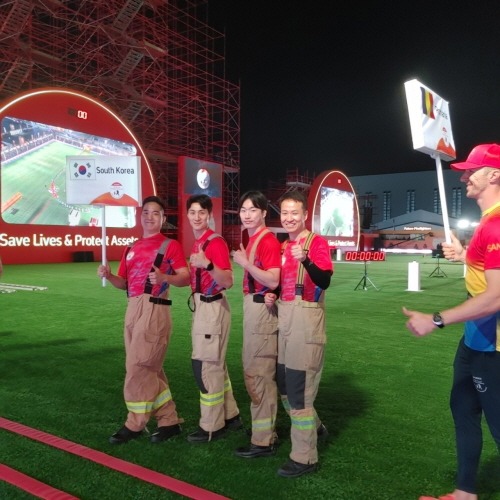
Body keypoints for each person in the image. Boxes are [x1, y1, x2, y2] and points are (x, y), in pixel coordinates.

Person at [403, 143, 500, 500]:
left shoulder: (497, 224)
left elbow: (495, 297)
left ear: (495, 175)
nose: (464, 176)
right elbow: (484, 273)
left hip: (494, 347)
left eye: (472, 170)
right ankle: (464, 493)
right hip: (475, 342)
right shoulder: (488, 222)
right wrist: (464, 255)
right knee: (463, 411)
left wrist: (436, 320)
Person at [97, 195, 190, 444]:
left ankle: (135, 424)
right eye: (146, 212)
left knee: (138, 366)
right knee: (150, 368)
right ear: (141, 216)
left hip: (155, 308)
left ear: (163, 218)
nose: (150, 216)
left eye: (155, 213)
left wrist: (165, 278)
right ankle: (169, 421)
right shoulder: (131, 248)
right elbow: (124, 284)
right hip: (133, 307)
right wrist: (109, 276)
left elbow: (185, 277)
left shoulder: (170, 245)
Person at [268, 190, 333, 478]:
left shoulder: (316, 243)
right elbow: (283, 283)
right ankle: (316, 428)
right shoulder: (284, 245)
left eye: (294, 212)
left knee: (298, 389)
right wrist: (273, 294)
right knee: (284, 383)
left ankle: (305, 457)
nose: (289, 218)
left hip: (305, 321)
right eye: (285, 213)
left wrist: (306, 260)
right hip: (286, 319)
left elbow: (324, 280)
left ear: (305, 215)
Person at [185, 194, 241, 442]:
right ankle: (230, 415)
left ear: (209, 215)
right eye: (193, 212)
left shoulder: (214, 243)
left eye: (202, 212)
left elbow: (228, 280)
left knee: (205, 367)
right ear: (187, 215)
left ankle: (211, 426)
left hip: (211, 307)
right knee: (215, 365)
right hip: (204, 307)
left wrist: (207, 264)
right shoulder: (200, 242)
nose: (197, 217)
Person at [232, 191, 281, 458]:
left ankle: (263, 440)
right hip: (255, 308)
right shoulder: (254, 239)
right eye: (243, 210)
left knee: (259, 374)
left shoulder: (267, 241)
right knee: (255, 372)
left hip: (261, 310)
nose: (247, 215)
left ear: (263, 213)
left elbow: (273, 279)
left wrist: (245, 264)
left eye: (253, 210)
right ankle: (263, 432)